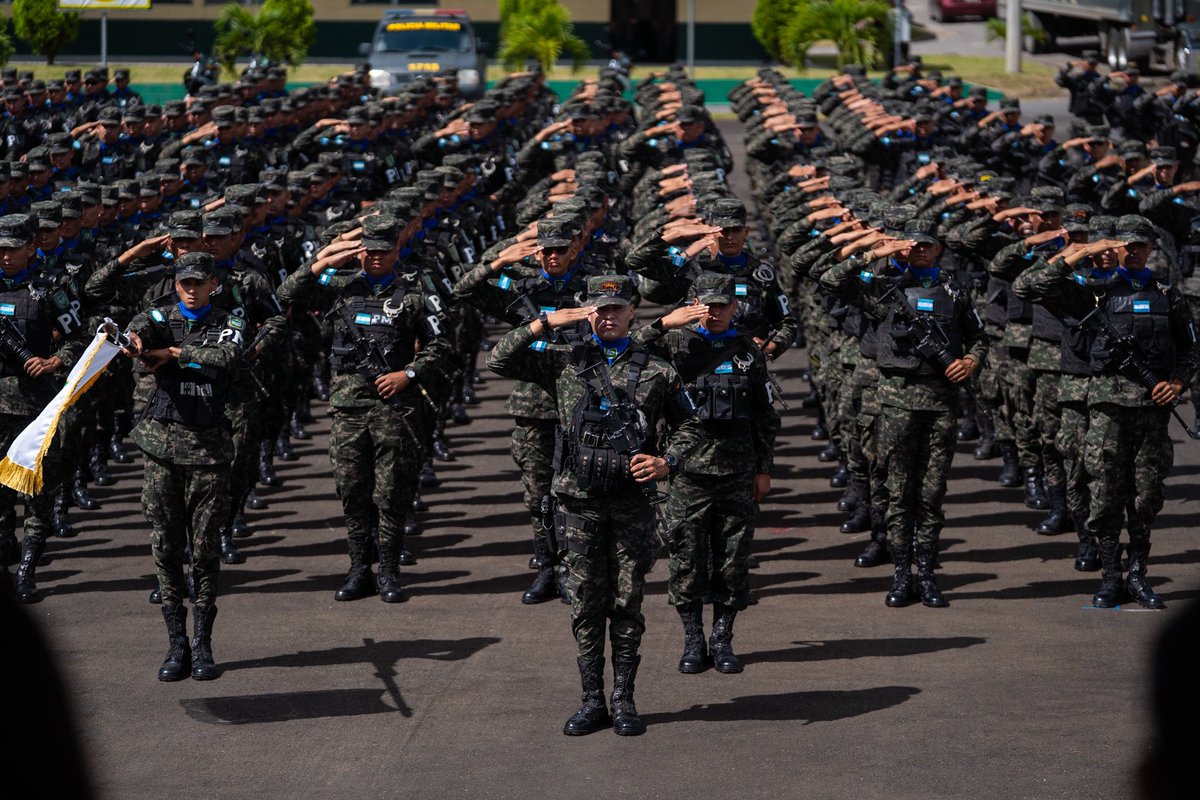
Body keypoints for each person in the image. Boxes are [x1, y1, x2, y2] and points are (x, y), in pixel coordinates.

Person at [488, 274, 701, 737]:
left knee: (626, 602)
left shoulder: (658, 371)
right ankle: (591, 699)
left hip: (631, 503)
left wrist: (667, 461)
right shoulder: (565, 362)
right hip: (578, 501)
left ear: (631, 313)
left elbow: (691, 426)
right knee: (585, 602)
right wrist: (546, 322)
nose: (608, 317)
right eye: (599, 310)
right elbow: (498, 359)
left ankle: (623, 698)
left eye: (616, 309)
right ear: (588, 313)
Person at [276, 214, 455, 604]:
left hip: (393, 405)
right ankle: (359, 569)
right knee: (352, 489)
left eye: (383, 251)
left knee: (391, 492)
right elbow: (287, 294)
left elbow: (442, 343)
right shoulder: (340, 285)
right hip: (348, 406)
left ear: (396, 249)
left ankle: (388, 571)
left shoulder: (415, 289)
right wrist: (326, 258)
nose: (375, 257)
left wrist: (408, 373)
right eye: (368, 250)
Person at [633, 272, 780, 674]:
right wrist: (664, 322)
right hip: (687, 469)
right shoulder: (673, 344)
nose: (714, 312)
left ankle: (722, 637)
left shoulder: (748, 352)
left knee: (733, 558)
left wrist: (764, 469)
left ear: (735, 307)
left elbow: (765, 417)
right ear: (694, 305)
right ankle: (693, 638)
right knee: (687, 557)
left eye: (722, 305)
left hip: (737, 469)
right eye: (707, 305)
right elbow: (628, 350)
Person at [123, 252, 243, 680]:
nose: (191, 290)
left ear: (213, 284)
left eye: (199, 283)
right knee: (166, 544)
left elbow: (224, 356)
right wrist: (135, 342)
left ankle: (203, 642)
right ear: (176, 285)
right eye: (184, 283)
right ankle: (176, 644)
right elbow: (138, 328)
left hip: (208, 451)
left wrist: (173, 352)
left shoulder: (230, 321)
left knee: (205, 548)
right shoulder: (161, 315)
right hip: (162, 446)